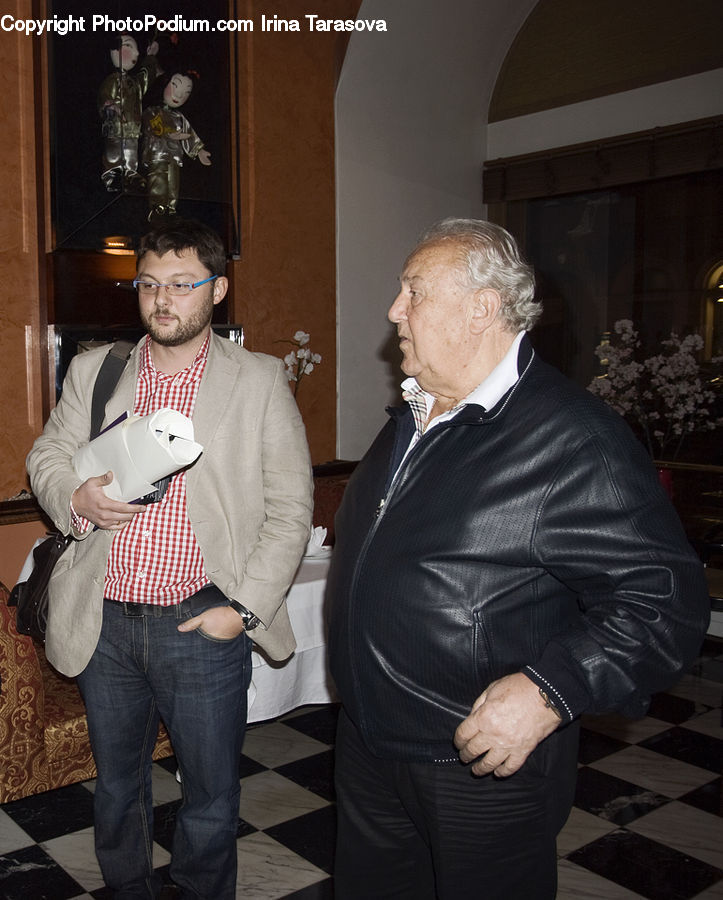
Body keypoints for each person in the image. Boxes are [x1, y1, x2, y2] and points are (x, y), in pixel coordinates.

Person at [326, 218, 709, 899]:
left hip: (476, 761)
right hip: (371, 742)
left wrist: (550, 688)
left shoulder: (572, 439)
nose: (393, 310)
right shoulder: (414, 416)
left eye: (413, 290)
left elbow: (664, 604)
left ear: (481, 307)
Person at [27, 219, 313, 899]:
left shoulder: (259, 381)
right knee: (117, 788)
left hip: (199, 624)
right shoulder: (99, 371)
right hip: (107, 625)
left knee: (210, 796)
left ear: (216, 290)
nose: (163, 299)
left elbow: (290, 510)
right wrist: (76, 496)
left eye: (182, 284)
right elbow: (47, 455)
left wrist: (239, 611)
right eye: (150, 284)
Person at [142, 71, 211, 222]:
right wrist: (170, 134)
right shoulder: (153, 111)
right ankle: (158, 208)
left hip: (174, 156)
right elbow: (153, 127)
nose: (179, 96)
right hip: (157, 153)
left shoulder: (179, 117)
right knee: (158, 180)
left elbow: (189, 133)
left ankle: (171, 209)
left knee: (173, 183)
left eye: (185, 93)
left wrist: (199, 150)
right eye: (175, 86)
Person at [98, 34, 160, 191]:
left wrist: (151, 57)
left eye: (137, 50)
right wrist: (109, 104)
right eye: (129, 47)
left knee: (131, 152)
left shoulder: (135, 83)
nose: (136, 53)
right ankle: (112, 176)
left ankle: (130, 175)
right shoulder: (113, 79)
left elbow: (146, 77)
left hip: (132, 126)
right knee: (114, 152)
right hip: (115, 125)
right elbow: (104, 94)